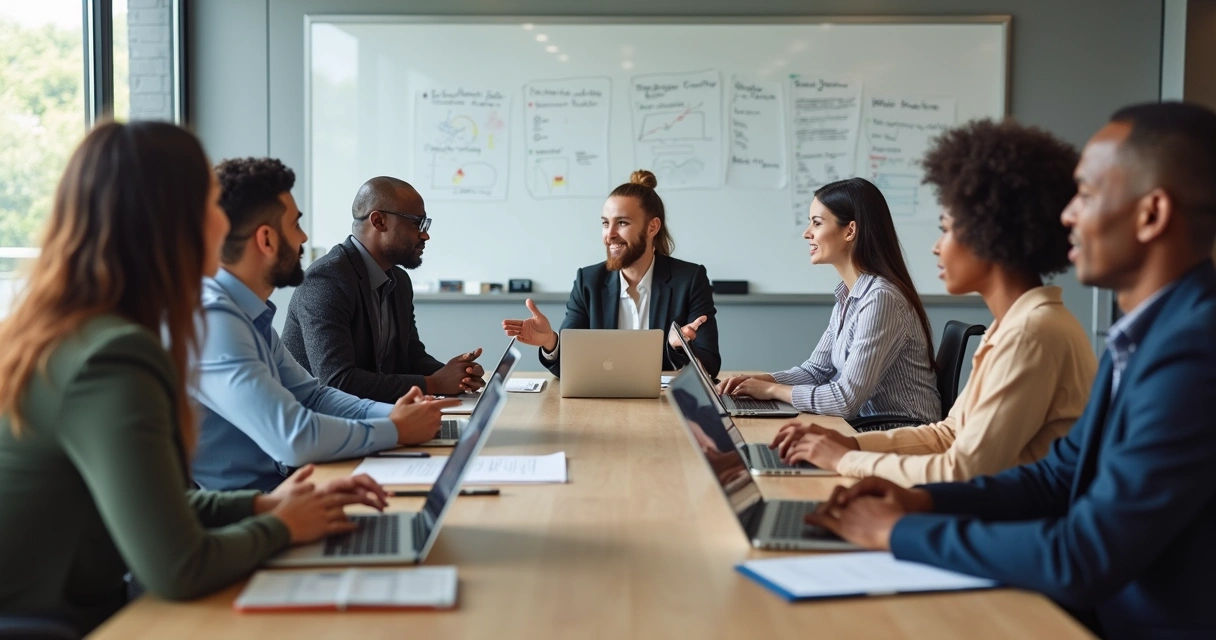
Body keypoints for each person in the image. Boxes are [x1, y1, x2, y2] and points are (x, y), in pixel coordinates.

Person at [806, 102, 1216, 639]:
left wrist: (901, 529)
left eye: (1087, 196)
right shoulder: (1148, 335)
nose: (1068, 215)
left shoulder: (1193, 353)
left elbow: (1084, 556)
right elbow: (1057, 477)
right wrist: (922, 500)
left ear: (1152, 215)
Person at [0, 122, 390, 634]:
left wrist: (260, 506)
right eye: (210, 205)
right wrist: (280, 526)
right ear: (172, 222)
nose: (222, 221)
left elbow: (159, 499)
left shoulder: (75, 327)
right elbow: (178, 567)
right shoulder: (114, 356)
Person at [769, 120, 1097, 483]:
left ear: (991, 234)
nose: (936, 246)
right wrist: (852, 447)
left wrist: (846, 460)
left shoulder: (1031, 335)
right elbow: (947, 435)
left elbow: (963, 469)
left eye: (946, 229)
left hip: (1008, 524)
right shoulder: (1012, 327)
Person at [191, 158, 457, 493]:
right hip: (254, 507)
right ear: (267, 240)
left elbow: (314, 396)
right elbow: (294, 437)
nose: (304, 236)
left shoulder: (249, 315)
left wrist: (394, 415)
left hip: (293, 486)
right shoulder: (214, 323)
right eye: (296, 225)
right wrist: (396, 429)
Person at [716, 178, 939, 424]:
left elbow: (845, 400)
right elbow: (816, 371)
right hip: (867, 426)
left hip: (901, 436)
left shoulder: (881, 299)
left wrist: (770, 391)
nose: (806, 233)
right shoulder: (849, 296)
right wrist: (761, 381)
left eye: (817, 223)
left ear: (850, 231)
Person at [283, 176, 485, 403]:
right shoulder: (327, 280)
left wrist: (458, 376)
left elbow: (410, 356)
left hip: (370, 415)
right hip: (316, 423)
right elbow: (337, 381)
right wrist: (436, 383)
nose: (425, 235)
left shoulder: (399, 280)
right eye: (417, 223)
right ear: (378, 221)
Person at [502, 170, 720, 376]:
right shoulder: (588, 281)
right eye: (606, 224)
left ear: (652, 227)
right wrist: (550, 341)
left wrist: (678, 347)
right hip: (603, 405)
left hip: (663, 407)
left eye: (622, 223)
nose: (610, 234)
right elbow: (569, 367)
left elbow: (710, 366)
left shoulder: (690, 280)